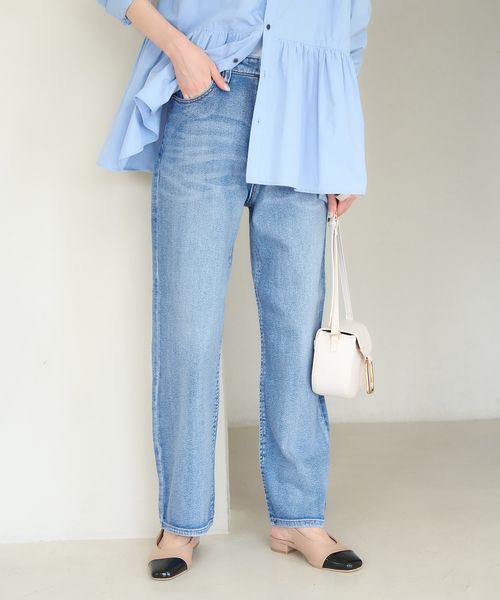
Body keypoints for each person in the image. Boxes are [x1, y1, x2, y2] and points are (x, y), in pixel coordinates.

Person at [96, 0, 372, 580]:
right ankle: (180, 520)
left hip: (305, 113)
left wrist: (342, 149)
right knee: (188, 326)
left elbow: (350, 35)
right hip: (210, 97)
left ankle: (299, 517)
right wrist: (178, 48)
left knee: (297, 330)